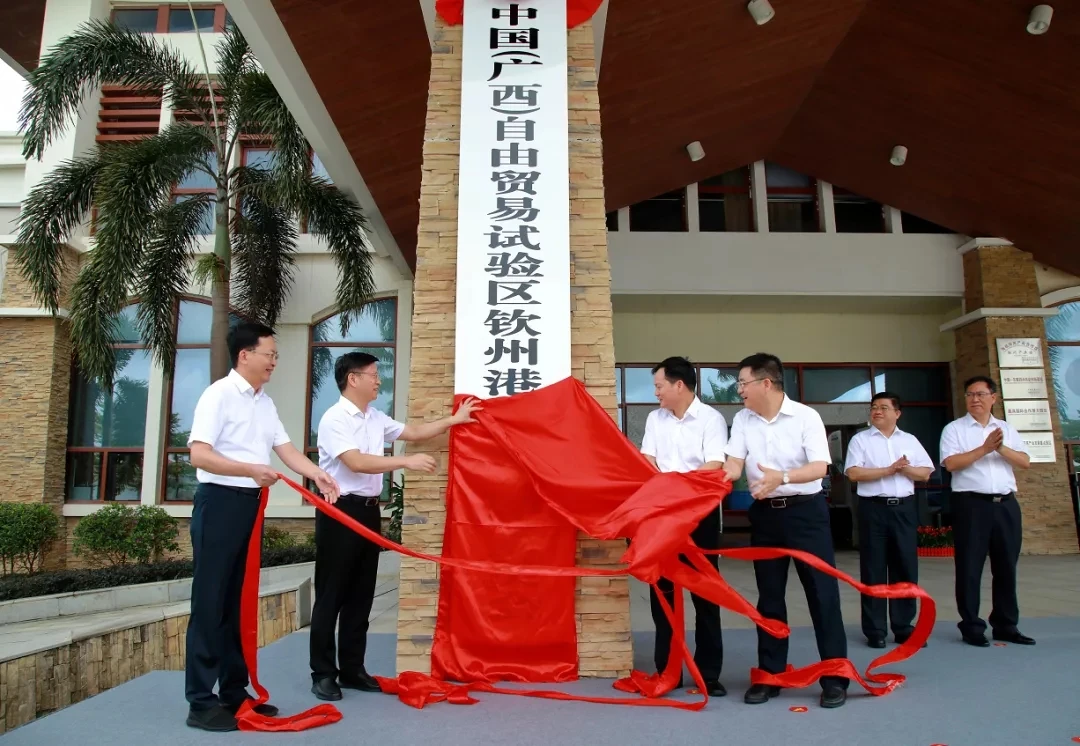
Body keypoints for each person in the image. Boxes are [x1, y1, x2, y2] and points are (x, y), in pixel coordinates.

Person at [184, 322, 341, 733]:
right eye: (269, 353)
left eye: (275, 355)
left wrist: (317, 476)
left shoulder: (264, 402)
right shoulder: (218, 395)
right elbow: (199, 455)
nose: (273, 361)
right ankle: (200, 702)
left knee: (237, 602)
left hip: (249, 507)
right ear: (244, 356)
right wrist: (250, 469)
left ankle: (234, 693)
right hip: (219, 504)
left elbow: (285, 449)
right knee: (210, 603)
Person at [310, 351, 481, 701]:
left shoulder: (374, 417)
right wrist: (405, 460)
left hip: (369, 512)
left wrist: (455, 420)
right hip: (339, 511)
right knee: (332, 594)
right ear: (352, 379)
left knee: (361, 594)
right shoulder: (334, 418)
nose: (378, 380)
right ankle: (323, 673)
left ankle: (353, 669)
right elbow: (355, 462)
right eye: (373, 375)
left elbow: (415, 432)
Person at [721, 353, 849, 709]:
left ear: (766, 383)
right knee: (770, 598)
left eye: (743, 383)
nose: (739, 390)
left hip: (806, 514)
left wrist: (783, 477)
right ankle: (770, 675)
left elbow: (821, 466)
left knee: (822, 596)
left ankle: (835, 677)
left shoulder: (806, 417)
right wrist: (712, 480)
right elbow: (733, 464)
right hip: (766, 517)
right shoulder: (743, 420)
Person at [639, 356, 728, 696]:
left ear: (679, 385)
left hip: (698, 516)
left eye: (659, 386)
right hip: (662, 516)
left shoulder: (711, 419)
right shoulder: (654, 419)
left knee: (705, 594)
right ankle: (668, 669)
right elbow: (648, 459)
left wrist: (674, 486)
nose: (656, 393)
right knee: (661, 592)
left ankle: (709, 673)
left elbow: (713, 465)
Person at [940, 375, 1034, 647]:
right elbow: (951, 464)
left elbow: (1025, 461)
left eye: (980, 394)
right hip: (971, 505)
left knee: (1006, 566)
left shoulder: (1006, 429)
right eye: (970, 394)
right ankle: (971, 626)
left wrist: (1000, 447)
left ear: (993, 397)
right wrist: (984, 449)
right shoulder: (954, 429)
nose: (975, 399)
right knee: (969, 566)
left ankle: (1006, 624)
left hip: (1005, 505)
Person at [844, 391, 934, 648]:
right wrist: (889, 470)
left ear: (897, 413)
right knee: (872, 569)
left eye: (884, 407)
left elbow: (924, 473)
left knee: (905, 568)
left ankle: (904, 627)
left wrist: (903, 468)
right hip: (873, 509)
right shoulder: (860, 440)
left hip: (904, 510)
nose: (877, 411)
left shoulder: (910, 440)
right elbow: (854, 473)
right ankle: (875, 630)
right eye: (874, 407)